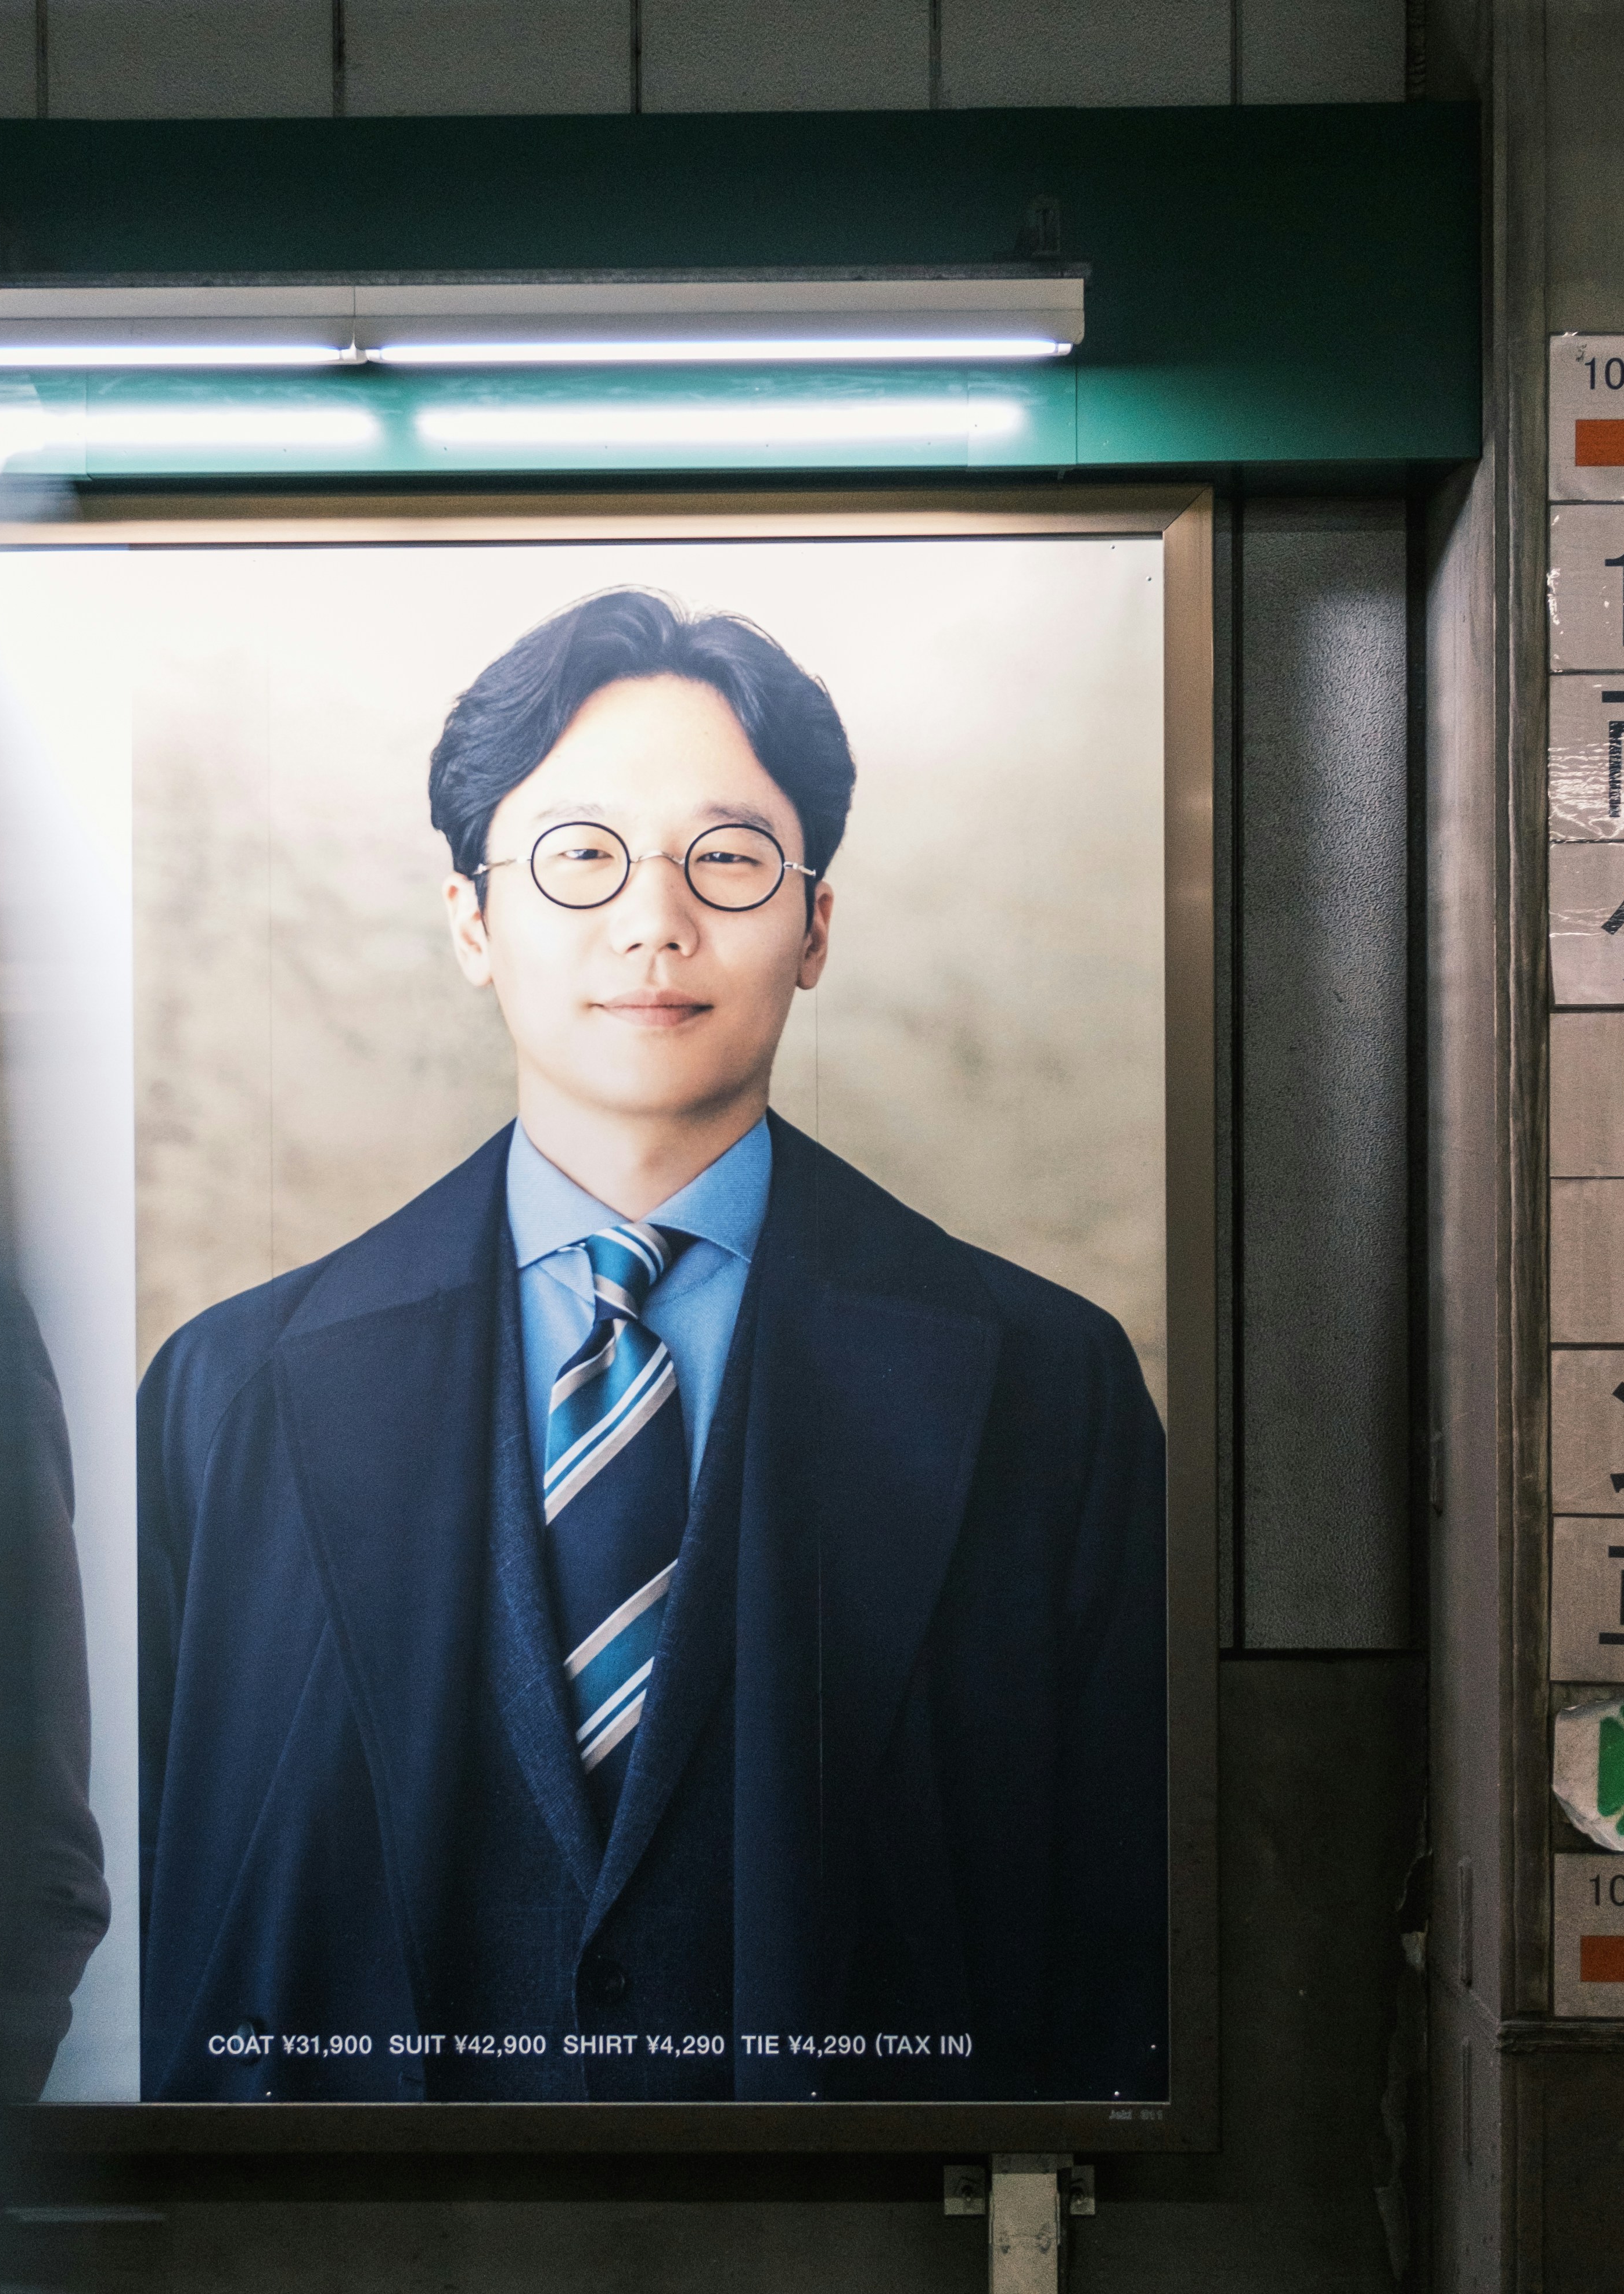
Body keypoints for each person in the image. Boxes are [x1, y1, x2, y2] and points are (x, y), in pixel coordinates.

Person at [138, 588, 1166, 2104]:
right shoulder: (230, 1399)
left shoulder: (1044, 1393)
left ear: (814, 928)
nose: (653, 921)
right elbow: (169, 1917)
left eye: (728, 859)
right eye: (581, 857)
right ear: (474, 924)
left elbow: (1122, 1943)